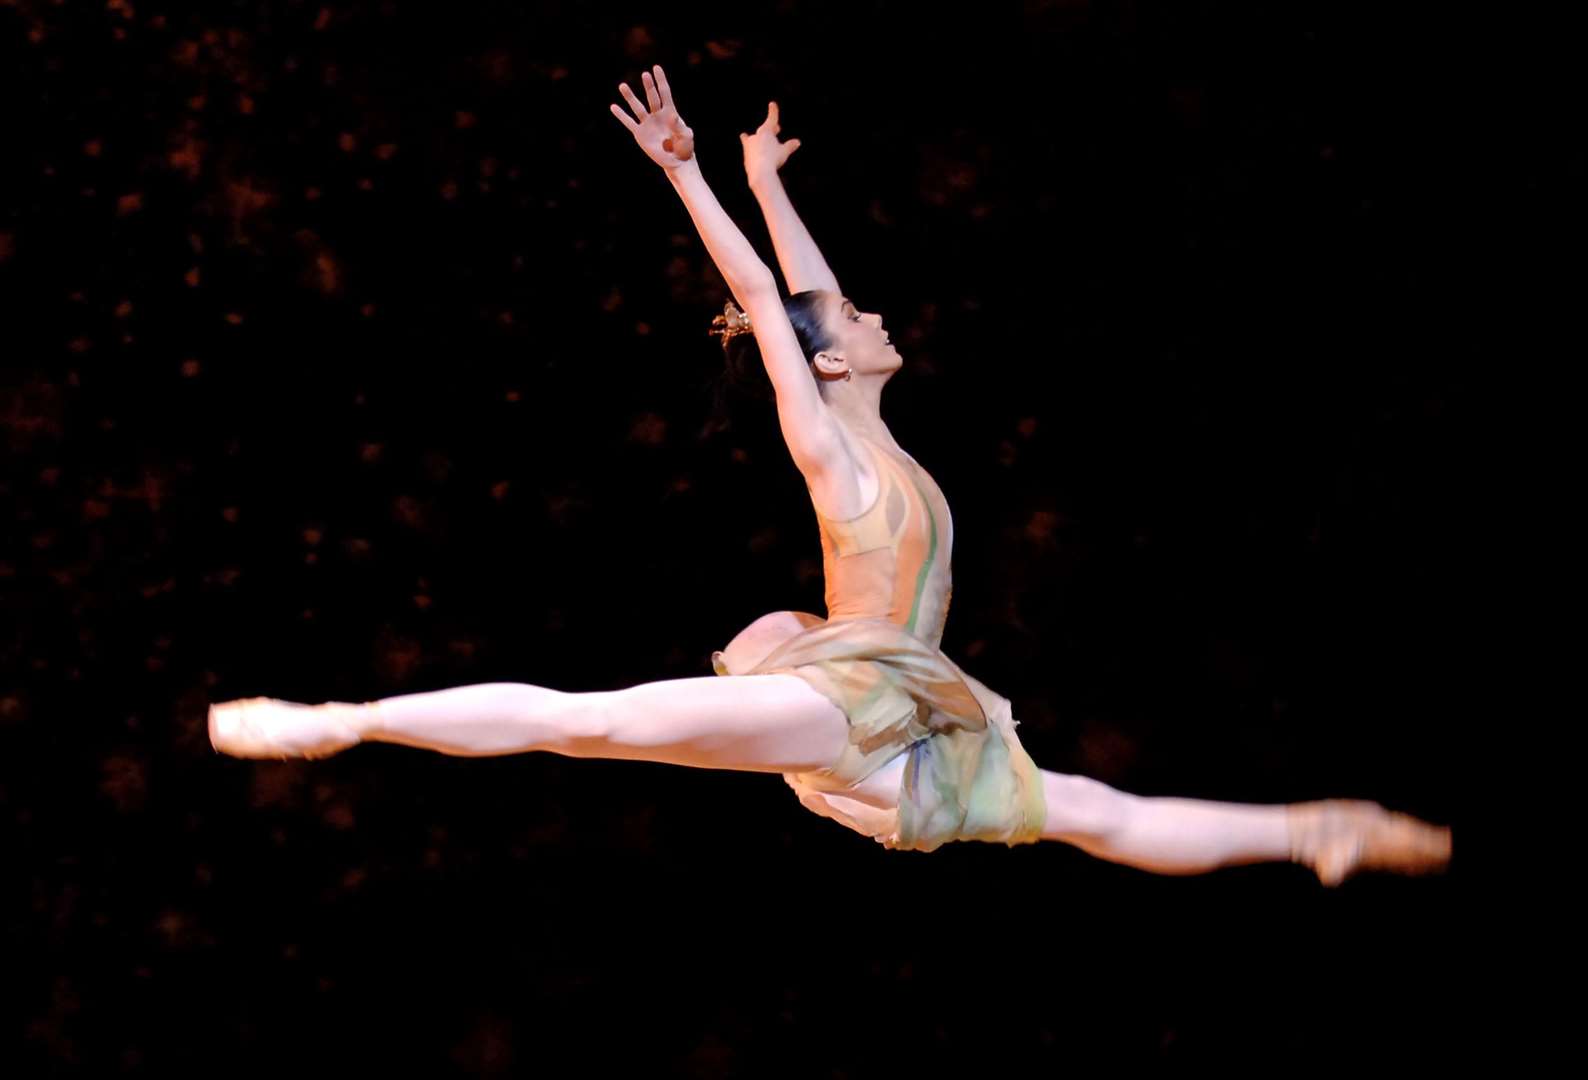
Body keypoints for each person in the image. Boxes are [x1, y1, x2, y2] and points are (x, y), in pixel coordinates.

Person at [209, 65, 1451, 887]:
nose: (872, 314)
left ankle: (1312, 829)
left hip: (898, 720)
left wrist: (768, 181)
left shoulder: (876, 426)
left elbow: (804, 303)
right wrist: (690, 174)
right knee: (587, 722)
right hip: (852, 702)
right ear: (828, 361)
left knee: (1095, 813)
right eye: (856, 314)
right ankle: (343, 721)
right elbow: (772, 305)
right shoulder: (830, 446)